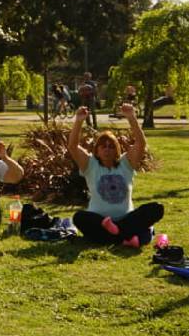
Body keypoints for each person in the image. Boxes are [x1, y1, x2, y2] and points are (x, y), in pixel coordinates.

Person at [67, 103, 163, 247]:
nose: (107, 149)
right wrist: (79, 120)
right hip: (99, 220)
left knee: (156, 208)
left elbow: (141, 144)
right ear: (97, 151)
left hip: (126, 219)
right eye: (103, 146)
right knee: (79, 217)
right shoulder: (90, 164)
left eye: (111, 146)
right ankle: (125, 237)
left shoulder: (126, 163)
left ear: (117, 150)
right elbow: (72, 146)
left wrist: (131, 118)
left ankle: (115, 234)